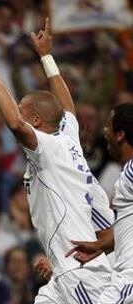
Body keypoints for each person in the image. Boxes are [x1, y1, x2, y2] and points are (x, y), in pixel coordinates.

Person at [0, 18, 112, 303]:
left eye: (22, 110)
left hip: (79, 273)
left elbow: (13, 123)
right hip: (63, 269)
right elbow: (67, 108)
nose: (17, 114)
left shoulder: (45, 147)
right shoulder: (68, 136)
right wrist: (46, 56)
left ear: (35, 120)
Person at [66, 103, 133, 303]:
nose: (104, 132)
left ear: (120, 135)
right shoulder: (126, 174)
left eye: (107, 126)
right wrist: (100, 245)